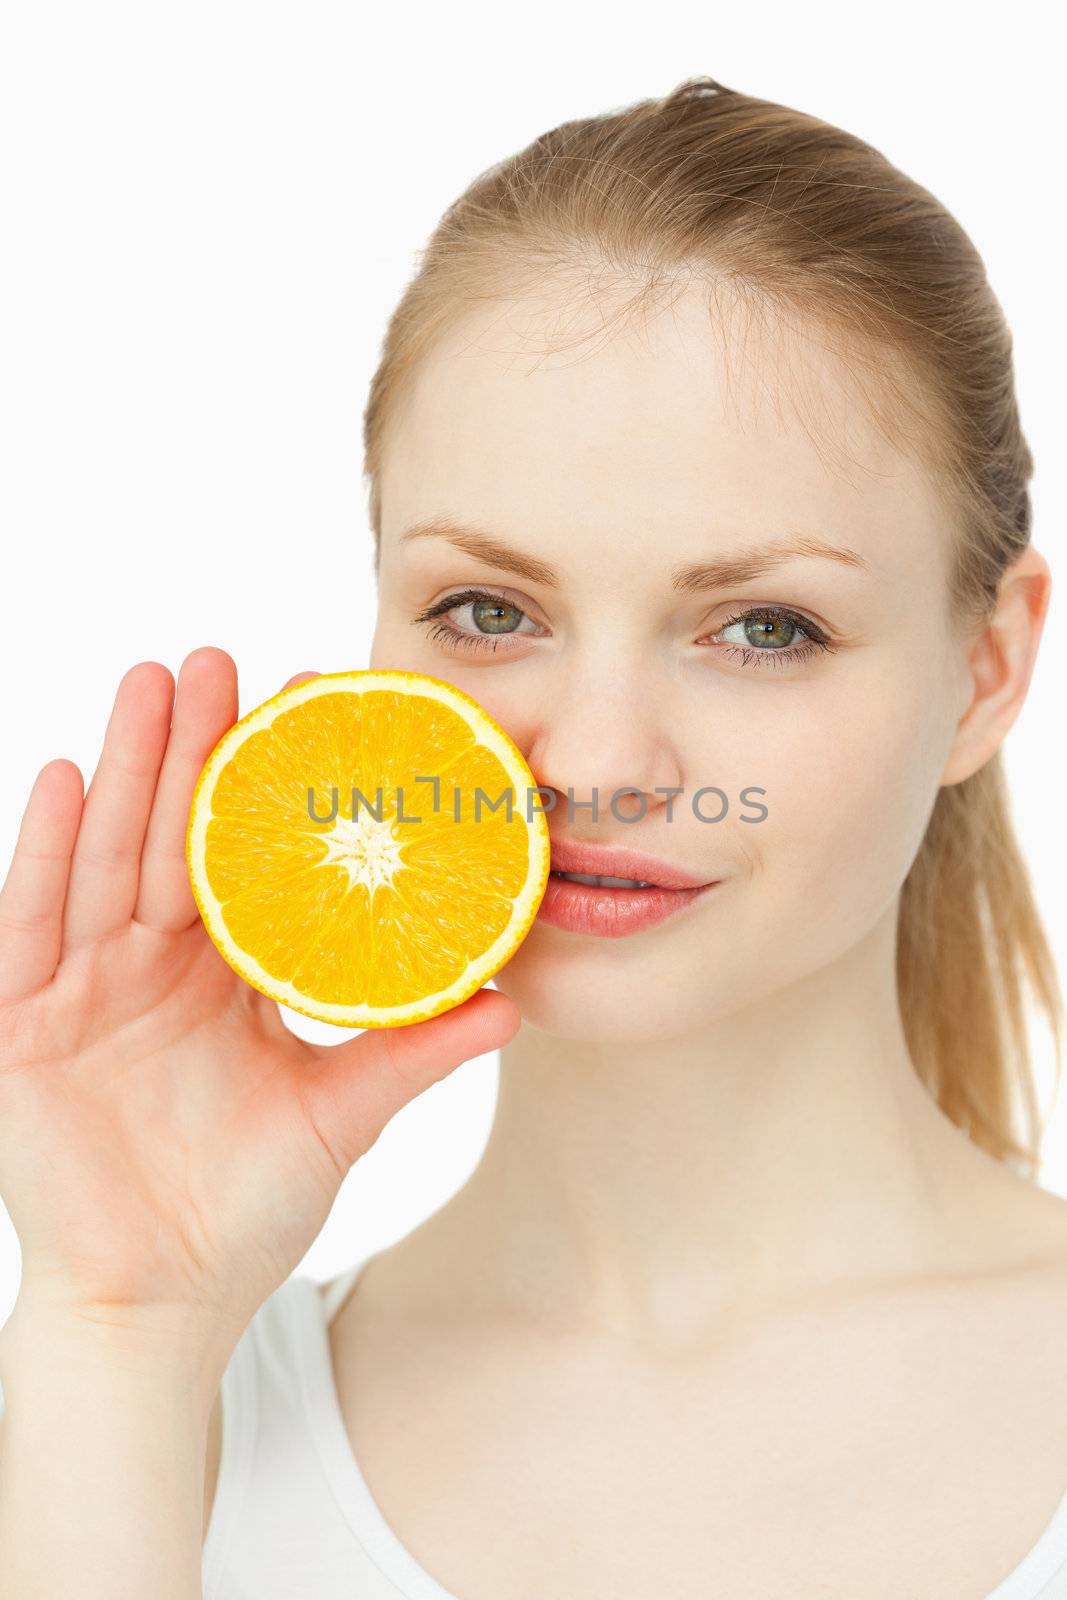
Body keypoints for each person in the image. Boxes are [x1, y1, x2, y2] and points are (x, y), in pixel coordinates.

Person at [1, 73, 1065, 1599]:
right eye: (488, 613)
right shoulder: (115, 1417)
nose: (597, 762)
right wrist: (117, 1328)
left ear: (988, 669)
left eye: (764, 626)